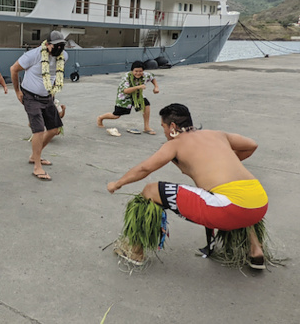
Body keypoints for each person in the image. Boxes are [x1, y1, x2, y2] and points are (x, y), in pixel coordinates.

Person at [107, 103, 269, 269]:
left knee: (150, 190)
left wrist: (117, 183)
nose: (164, 132)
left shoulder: (174, 144)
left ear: (172, 126)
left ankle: (135, 252)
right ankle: (256, 250)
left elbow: (145, 168)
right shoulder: (217, 134)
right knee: (238, 198)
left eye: (163, 127)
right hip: (260, 203)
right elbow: (251, 145)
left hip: (228, 209)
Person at [10, 30, 68, 181]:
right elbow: (14, 69)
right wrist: (17, 91)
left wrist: (53, 92)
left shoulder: (63, 56)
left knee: (54, 129)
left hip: (48, 96)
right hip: (30, 96)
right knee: (38, 130)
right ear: (47, 45)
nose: (59, 48)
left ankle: (35, 155)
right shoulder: (33, 55)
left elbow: (55, 75)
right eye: (56, 46)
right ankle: (37, 166)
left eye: (62, 45)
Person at [97, 60, 160, 136]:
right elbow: (126, 90)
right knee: (116, 115)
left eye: (140, 71)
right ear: (132, 71)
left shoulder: (146, 75)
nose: (138, 73)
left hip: (137, 95)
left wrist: (156, 87)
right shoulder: (126, 77)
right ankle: (100, 118)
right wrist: (139, 87)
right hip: (124, 96)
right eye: (136, 71)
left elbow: (152, 77)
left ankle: (146, 127)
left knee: (146, 105)